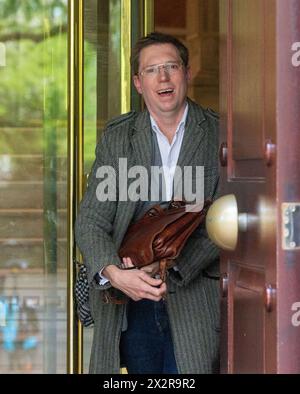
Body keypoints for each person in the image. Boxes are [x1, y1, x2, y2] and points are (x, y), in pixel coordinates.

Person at [75, 31, 220, 374]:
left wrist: (171, 269)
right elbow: (91, 221)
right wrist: (114, 274)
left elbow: (225, 220)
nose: (164, 77)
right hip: (131, 302)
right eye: (152, 70)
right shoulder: (119, 137)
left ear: (186, 73)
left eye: (171, 66)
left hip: (193, 298)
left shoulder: (219, 132)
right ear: (139, 83)